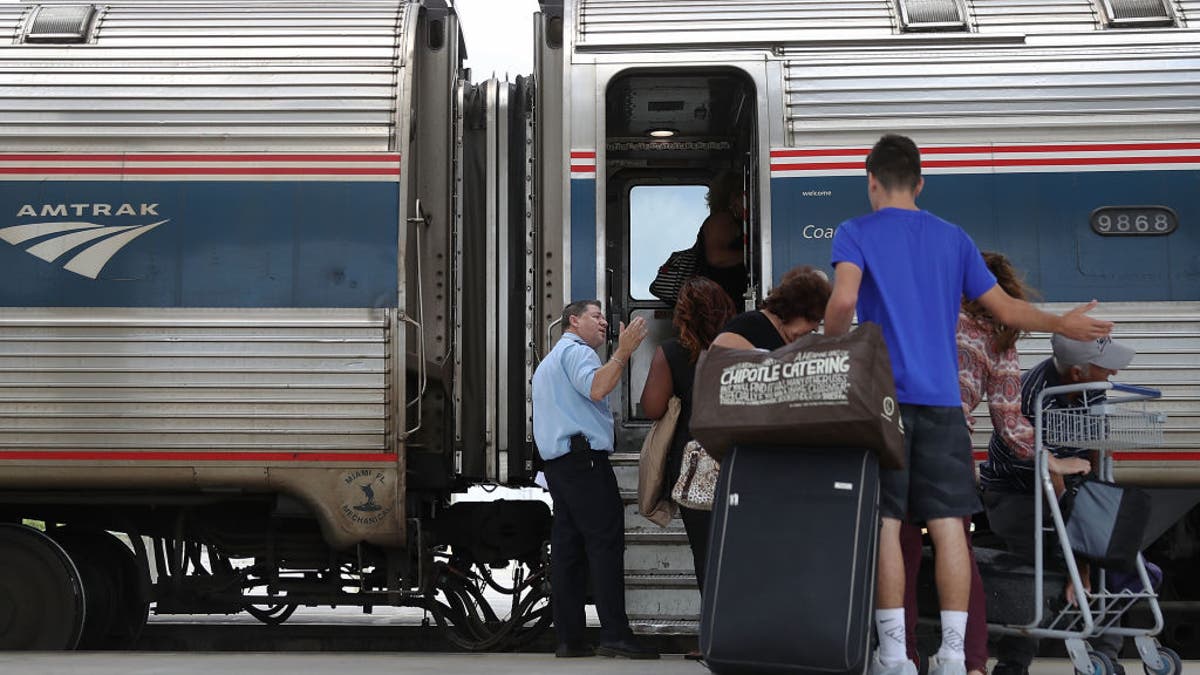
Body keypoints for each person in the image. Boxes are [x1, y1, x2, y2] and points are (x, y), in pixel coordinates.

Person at [823, 133, 1114, 675]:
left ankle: (893, 657)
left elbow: (842, 300)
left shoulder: (855, 232)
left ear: (871, 181)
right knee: (951, 524)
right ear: (921, 183)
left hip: (886, 405)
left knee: (888, 523)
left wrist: (831, 344)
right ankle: (954, 656)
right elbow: (1004, 308)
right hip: (943, 405)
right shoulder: (953, 238)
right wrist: (1061, 322)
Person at [900, 252, 1035, 675]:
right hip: (950, 441)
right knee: (957, 549)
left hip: (900, 432)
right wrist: (1048, 459)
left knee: (900, 550)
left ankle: (901, 657)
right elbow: (1008, 422)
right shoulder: (998, 334)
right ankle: (970, 662)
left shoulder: (923, 312)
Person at [979, 334, 1137, 675]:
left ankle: (1105, 653)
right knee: (1034, 566)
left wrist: (1098, 497)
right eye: (1104, 365)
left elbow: (1096, 446)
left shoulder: (1090, 387)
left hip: (1059, 483)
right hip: (1015, 492)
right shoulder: (1036, 397)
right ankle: (1014, 661)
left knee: (1103, 552)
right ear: (1077, 372)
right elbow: (1052, 474)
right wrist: (1077, 556)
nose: (1112, 373)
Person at [531, 300, 658, 660]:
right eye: (596, 316)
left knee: (569, 551)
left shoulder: (551, 360)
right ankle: (615, 634)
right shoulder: (578, 353)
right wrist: (624, 352)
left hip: (560, 465)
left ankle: (570, 638)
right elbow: (598, 388)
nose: (603, 323)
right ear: (574, 320)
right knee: (605, 544)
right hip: (584, 461)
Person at [640, 276, 737, 598]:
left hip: (696, 464)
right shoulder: (743, 345)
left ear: (682, 315)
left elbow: (652, 408)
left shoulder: (672, 352)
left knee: (706, 551)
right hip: (741, 456)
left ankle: (712, 634)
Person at [711, 265, 830, 352]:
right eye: (813, 319)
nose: (815, 328)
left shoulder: (786, 334)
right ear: (795, 310)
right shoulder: (749, 326)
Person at [697, 171, 749, 308]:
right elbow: (716, 257)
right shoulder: (722, 220)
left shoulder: (731, 221)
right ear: (733, 196)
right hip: (723, 300)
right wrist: (752, 255)